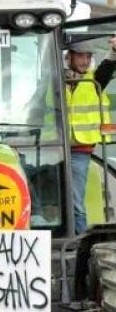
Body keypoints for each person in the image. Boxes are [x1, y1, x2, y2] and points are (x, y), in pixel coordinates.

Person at [63, 39, 116, 234]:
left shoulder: (95, 81)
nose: (84, 61)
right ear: (69, 57)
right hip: (54, 147)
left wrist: (114, 50)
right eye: (80, 56)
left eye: (88, 56)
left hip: (80, 150)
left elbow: (108, 66)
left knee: (76, 203)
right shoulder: (56, 78)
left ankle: (79, 245)